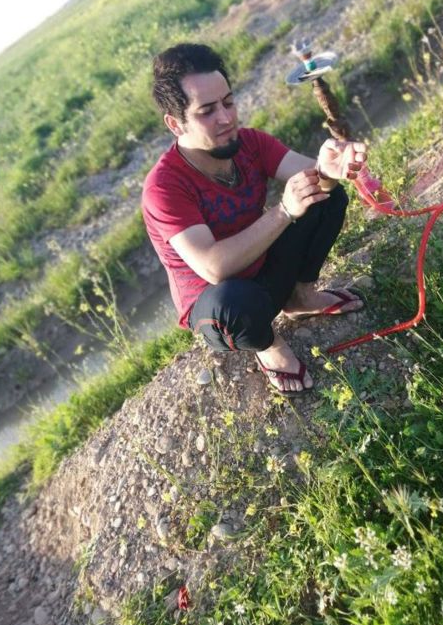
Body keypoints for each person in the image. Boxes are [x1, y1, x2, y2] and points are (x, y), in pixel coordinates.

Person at [142, 43, 367, 393]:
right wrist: (284, 210)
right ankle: (268, 345)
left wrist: (328, 170)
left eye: (228, 102)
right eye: (207, 111)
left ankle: (300, 298)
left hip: (264, 266)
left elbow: (316, 179)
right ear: (175, 124)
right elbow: (214, 267)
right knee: (231, 306)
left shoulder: (249, 143)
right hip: (226, 304)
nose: (226, 118)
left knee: (325, 195)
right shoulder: (164, 186)